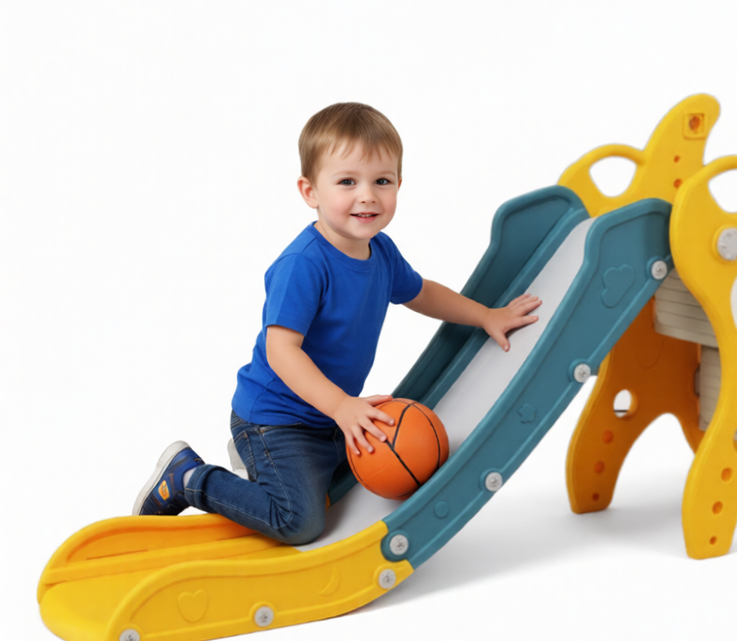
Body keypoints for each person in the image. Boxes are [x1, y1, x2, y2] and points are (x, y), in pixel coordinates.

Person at [132, 102, 541, 544]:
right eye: (347, 182)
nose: (367, 195)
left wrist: (486, 316)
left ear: (399, 185)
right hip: (275, 419)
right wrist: (343, 407)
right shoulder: (303, 265)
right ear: (310, 192)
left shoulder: (381, 251)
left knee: (377, 475)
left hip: (325, 416)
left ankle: (266, 468)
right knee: (300, 522)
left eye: (382, 181)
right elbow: (281, 351)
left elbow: (421, 292)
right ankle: (189, 477)